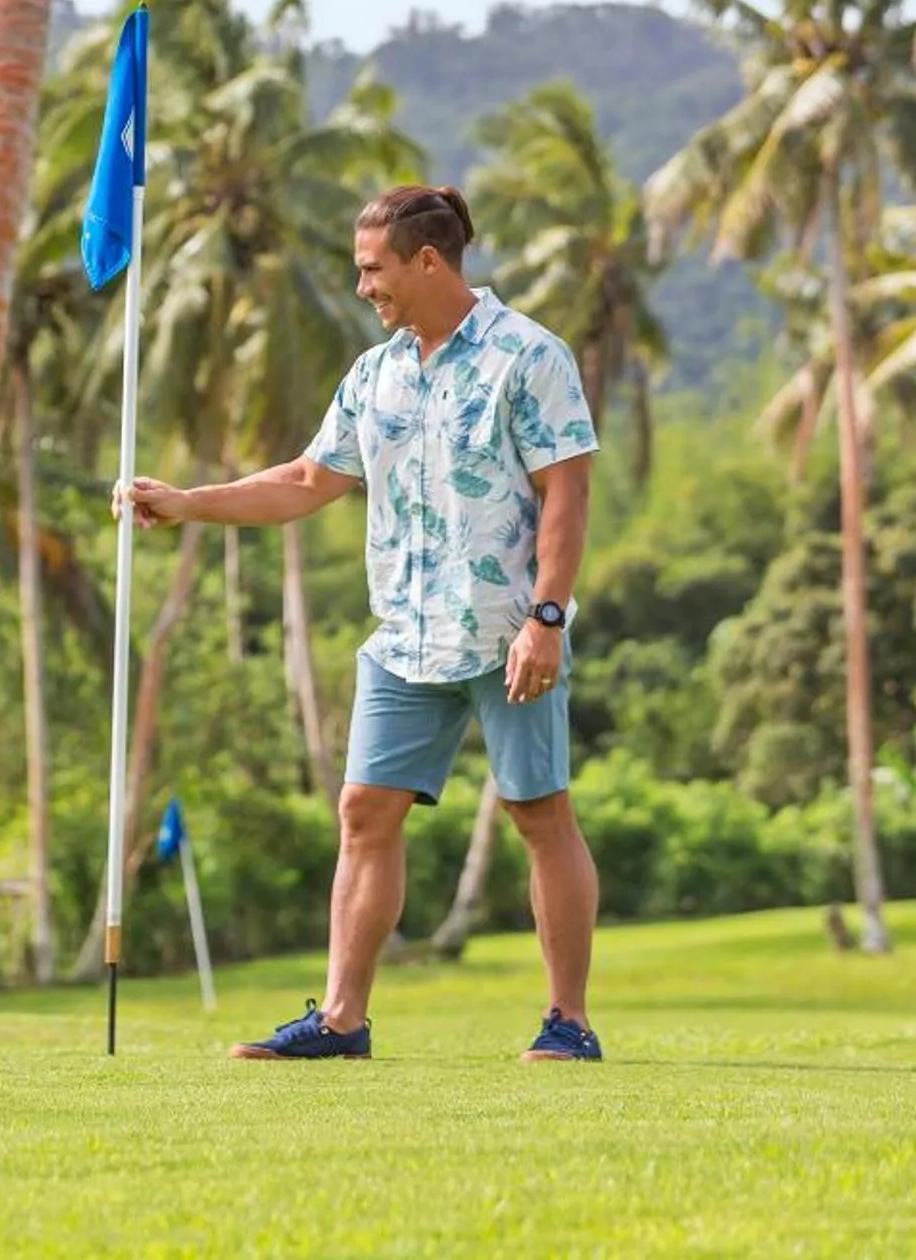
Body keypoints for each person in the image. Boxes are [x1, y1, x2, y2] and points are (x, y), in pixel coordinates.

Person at [120, 184, 606, 1063]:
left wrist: (547, 616)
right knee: (363, 812)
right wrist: (189, 502)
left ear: (428, 260)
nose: (362, 288)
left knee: (540, 814)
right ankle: (343, 1021)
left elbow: (565, 493)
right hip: (404, 637)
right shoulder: (375, 372)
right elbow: (309, 481)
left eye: (372, 269)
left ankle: (567, 1021)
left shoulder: (528, 356)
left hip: (506, 632)